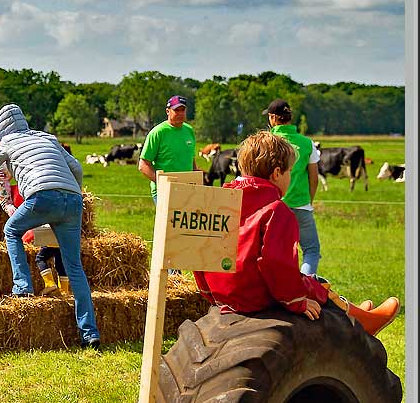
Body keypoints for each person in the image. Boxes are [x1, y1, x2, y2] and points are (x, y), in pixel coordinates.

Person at [193, 131, 399, 336]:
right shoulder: (276, 211)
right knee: (315, 284)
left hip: (225, 294)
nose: (290, 176)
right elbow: (277, 265)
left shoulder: (219, 203)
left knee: (312, 284)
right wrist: (296, 302)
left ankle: (354, 312)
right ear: (276, 174)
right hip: (256, 296)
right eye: (290, 171)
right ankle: (361, 321)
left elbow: (200, 254)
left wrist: (210, 295)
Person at [0, 104, 101, 349]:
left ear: (1, 128)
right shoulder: (47, 137)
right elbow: (77, 167)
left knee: (11, 230)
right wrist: (76, 193)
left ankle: (22, 286)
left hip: (42, 196)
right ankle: (90, 333)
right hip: (73, 201)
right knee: (75, 268)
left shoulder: (7, 143)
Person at [264, 99, 322, 276]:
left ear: (273, 118)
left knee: (272, 252)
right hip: (301, 205)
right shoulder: (307, 143)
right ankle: (306, 286)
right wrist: (308, 201)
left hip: (272, 207)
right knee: (311, 250)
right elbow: (314, 178)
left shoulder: (266, 142)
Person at [139, 95, 198, 203]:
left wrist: (198, 180)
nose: (180, 113)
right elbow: (143, 165)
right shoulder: (158, 132)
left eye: (182, 110)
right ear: (168, 111)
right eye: (176, 110)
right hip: (163, 191)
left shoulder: (189, 131)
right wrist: (161, 182)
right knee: (168, 220)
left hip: (188, 190)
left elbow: (191, 161)